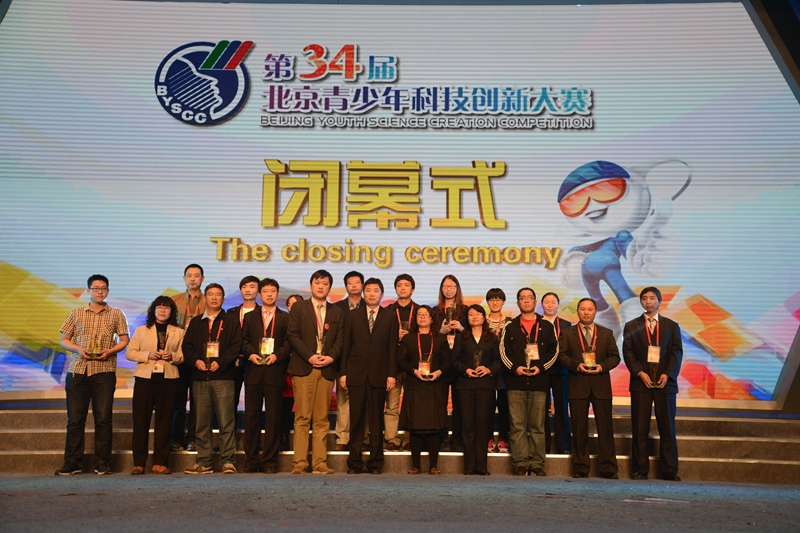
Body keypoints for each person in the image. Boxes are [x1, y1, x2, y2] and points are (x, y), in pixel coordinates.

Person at [56, 275, 130, 476]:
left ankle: (102, 462)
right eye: (96, 288)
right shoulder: (76, 313)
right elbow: (64, 340)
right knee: (75, 420)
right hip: (78, 370)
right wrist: (79, 349)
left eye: (103, 288)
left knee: (103, 419)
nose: (100, 291)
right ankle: (73, 462)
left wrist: (110, 351)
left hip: (104, 372)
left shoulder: (116, 314)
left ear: (108, 291)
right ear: (88, 291)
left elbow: (124, 340)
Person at [623, 286, 683, 481]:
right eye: (644, 298)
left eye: (652, 298)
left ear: (659, 301)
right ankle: (640, 469)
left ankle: (670, 471)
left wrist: (668, 374)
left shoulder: (671, 326)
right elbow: (628, 353)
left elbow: (676, 353)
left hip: (665, 383)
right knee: (640, 428)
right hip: (641, 383)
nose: (648, 301)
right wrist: (640, 373)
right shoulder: (631, 326)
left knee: (667, 428)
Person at [287, 270, 345, 475]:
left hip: (327, 368)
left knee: (322, 419)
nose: (321, 286)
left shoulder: (337, 311)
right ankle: (300, 463)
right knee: (303, 417)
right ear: (311, 285)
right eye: (317, 282)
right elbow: (293, 335)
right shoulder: (299, 307)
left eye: (325, 283)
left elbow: (340, 340)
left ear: (330, 287)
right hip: (305, 367)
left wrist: (331, 357)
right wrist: (310, 356)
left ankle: (320, 463)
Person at [182, 283, 242, 474]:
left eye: (218, 294)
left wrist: (221, 362)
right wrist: (196, 361)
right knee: (202, 423)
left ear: (223, 298)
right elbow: (187, 346)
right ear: (205, 298)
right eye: (210, 294)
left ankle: (228, 461)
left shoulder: (231, 321)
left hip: (224, 377)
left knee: (226, 422)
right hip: (200, 378)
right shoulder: (196, 322)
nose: (214, 298)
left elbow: (236, 346)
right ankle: (204, 461)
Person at [340, 278, 398, 474]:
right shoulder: (352, 315)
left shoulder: (390, 316)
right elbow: (346, 346)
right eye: (369, 290)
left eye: (376, 290)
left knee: (376, 420)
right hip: (356, 373)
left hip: (379, 374)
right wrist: (343, 373)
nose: (372, 294)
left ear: (382, 294)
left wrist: (391, 374)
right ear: (363, 293)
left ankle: (375, 463)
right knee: (356, 419)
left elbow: (392, 348)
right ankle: (354, 462)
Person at [558, 297, 620, 479]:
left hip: (601, 384)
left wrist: (602, 366)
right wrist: (577, 365)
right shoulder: (567, 333)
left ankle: (608, 468)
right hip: (578, 383)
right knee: (579, 428)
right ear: (577, 311)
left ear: (595, 311)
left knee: (605, 428)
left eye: (590, 309)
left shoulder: (606, 333)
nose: (586, 312)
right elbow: (561, 356)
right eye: (583, 309)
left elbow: (615, 357)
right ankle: (581, 467)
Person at [499, 288, 558, 476]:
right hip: (515, 382)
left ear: (535, 302)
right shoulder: (510, 326)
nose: (526, 301)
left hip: (539, 382)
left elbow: (554, 351)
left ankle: (537, 463)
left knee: (537, 426)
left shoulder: (546, 325)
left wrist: (540, 367)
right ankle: (520, 463)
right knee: (517, 426)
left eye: (530, 298)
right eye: (522, 298)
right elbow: (503, 352)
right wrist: (515, 367)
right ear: (518, 302)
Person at [126, 296, 184, 475]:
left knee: (164, 422)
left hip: (169, 380)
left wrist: (172, 356)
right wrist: (147, 355)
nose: (163, 310)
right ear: (153, 309)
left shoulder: (179, 331)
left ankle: (160, 462)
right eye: (160, 307)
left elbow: (183, 355)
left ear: (172, 311)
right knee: (140, 421)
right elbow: (130, 353)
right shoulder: (142, 330)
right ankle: (139, 463)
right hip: (145, 379)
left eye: (167, 307)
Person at [241, 278, 290, 473]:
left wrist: (277, 355)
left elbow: (288, 343)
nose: (269, 294)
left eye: (273, 291)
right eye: (266, 291)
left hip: (275, 372)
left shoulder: (285, 317)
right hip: (253, 373)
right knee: (251, 418)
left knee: (273, 419)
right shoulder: (250, 317)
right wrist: (251, 354)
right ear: (259, 294)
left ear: (277, 294)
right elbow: (243, 341)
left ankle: (270, 461)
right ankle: (251, 462)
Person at [397, 305, 451, 475]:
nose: (422, 317)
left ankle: (433, 465)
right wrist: (414, 371)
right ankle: (416, 466)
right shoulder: (409, 338)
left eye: (425, 315)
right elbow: (401, 360)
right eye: (419, 315)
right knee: (415, 427)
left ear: (432, 318)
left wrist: (438, 372)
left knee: (434, 428)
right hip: (414, 385)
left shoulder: (440, 338)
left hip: (435, 386)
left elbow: (448, 361)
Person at [454, 305, 502, 475]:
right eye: (470, 315)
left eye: (477, 314)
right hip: (465, 385)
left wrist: (488, 369)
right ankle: (468, 465)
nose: (474, 317)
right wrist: (466, 369)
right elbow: (455, 361)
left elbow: (498, 361)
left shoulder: (492, 338)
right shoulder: (461, 337)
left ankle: (482, 465)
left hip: (485, 386)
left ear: (484, 317)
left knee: (483, 425)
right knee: (468, 426)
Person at [170, 263, 206, 452]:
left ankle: (193, 438)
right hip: (178, 357)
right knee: (177, 400)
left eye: (196, 275)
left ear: (202, 279)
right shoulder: (173, 301)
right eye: (189, 275)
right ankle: (175, 438)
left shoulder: (209, 301)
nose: (193, 279)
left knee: (198, 401)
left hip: (200, 357)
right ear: (184, 278)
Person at [432, 274, 468, 451]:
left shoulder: (466, 310)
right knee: (439, 403)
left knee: (459, 404)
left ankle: (457, 438)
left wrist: (461, 328)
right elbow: (429, 336)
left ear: (457, 289)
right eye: (445, 287)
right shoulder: (435, 311)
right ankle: (442, 437)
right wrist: (441, 332)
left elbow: (473, 335)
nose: (448, 290)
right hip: (441, 362)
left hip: (460, 361)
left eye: (452, 286)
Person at [385, 273, 418, 451]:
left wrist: (410, 336)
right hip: (393, 364)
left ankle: (409, 438)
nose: (403, 288)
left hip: (414, 365)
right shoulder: (388, 311)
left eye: (406, 285)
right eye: (399, 285)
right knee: (392, 404)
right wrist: (393, 335)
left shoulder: (420, 311)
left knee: (412, 404)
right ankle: (391, 438)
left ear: (412, 289)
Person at [333, 271, 364, 451]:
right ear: (346, 286)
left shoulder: (370, 306)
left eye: (357, 282)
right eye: (350, 283)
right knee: (343, 400)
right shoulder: (337, 308)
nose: (353, 285)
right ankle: (343, 438)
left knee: (364, 402)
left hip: (365, 361)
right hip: (343, 359)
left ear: (362, 285)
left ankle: (363, 436)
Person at [541, 292, 572, 454]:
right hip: (542, 371)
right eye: (547, 302)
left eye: (553, 302)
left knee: (562, 407)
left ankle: (563, 445)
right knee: (541, 410)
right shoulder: (537, 323)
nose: (550, 305)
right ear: (542, 304)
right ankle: (543, 444)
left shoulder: (566, 325)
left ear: (558, 304)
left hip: (561, 370)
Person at [226, 275, 260, 426]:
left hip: (254, 361)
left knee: (253, 403)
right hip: (233, 362)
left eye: (252, 287)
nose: (247, 290)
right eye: (244, 287)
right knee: (230, 402)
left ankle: (251, 436)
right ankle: (229, 437)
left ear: (258, 291)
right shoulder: (231, 312)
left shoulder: (262, 312)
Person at [485, 288, 511, 454]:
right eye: (492, 299)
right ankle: (488, 438)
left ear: (503, 302)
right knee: (487, 406)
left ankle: (503, 439)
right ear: (488, 302)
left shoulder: (509, 322)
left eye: (498, 299)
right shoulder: (481, 321)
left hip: (504, 371)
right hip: (486, 369)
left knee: (504, 406)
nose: (495, 302)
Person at [279, 294, 303, 451]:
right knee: (284, 409)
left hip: (303, 370)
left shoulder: (309, 323)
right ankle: (283, 439)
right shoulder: (282, 321)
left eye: (296, 304)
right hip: (285, 371)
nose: (292, 307)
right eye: (289, 305)